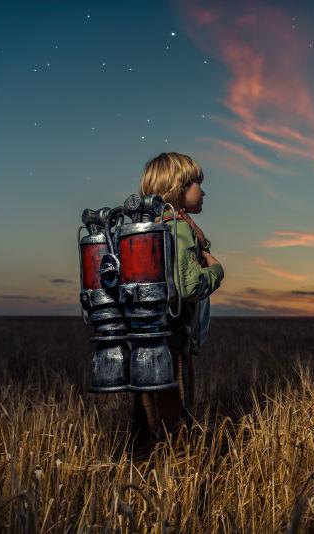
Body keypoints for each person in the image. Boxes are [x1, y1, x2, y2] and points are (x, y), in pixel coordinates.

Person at [130, 152, 224, 444]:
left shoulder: (150, 230)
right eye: (196, 182)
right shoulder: (178, 229)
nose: (203, 190)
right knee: (177, 418)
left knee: (149, 413)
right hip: (174, 340)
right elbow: (190, 287)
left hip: (145, 341)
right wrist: (216, 271)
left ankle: (148, 464)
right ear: (178, 188)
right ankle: (179, 473)